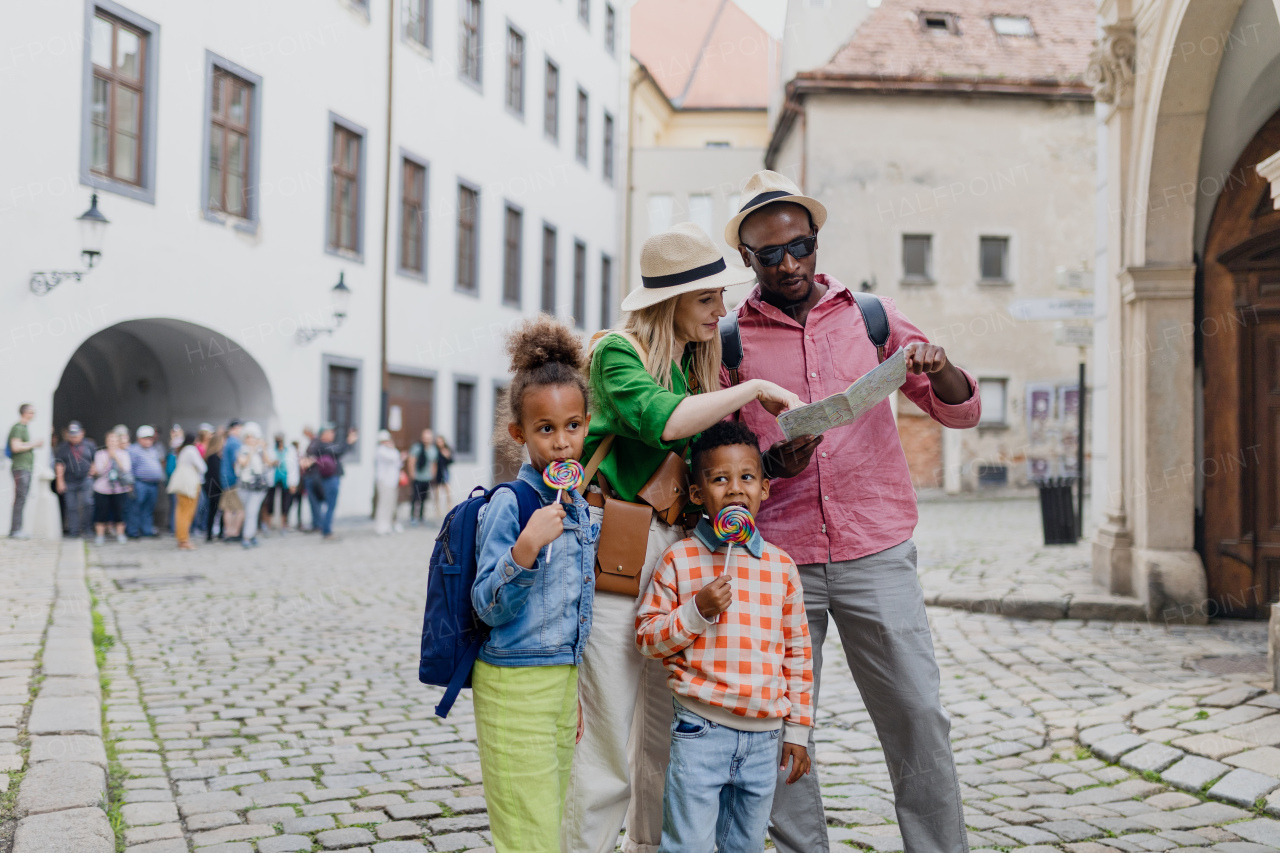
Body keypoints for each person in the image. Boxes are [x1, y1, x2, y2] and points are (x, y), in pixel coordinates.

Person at [721, 170, 982, 853]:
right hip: (777, 557)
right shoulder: (727, 344)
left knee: (918, 713)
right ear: (748, 259)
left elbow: (962, 408)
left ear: (814, 239)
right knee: (777, 725)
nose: (789, 264)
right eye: (770, 254)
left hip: (876, 547)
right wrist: (776, 462)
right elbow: (715, 462)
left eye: (799, 246)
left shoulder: (872, 317)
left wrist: (939, 363)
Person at [564, 222, 802, 853]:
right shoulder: (617, 353)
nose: (720, 311)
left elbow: (710, 459)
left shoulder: (701, 365)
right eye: (707, 299)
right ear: (669, 301)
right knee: (611, 732)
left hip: (686, 551)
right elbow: (658, 422)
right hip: (621, 546)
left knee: (666, 736)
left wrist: (784, 452)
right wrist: (748, 390)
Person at [636, 421, 813, 852]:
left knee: (745, 846)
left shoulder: (781, 567)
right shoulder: (678, 560)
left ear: (765, 489)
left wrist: (798, 731)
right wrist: (695, 612)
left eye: (747, 477)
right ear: (698, 495)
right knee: (688, 845)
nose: (735, 489)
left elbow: (798, 653)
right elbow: (647, 638)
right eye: (719, 479)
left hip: (765, 737)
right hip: (700, 730)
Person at [471, 316, 599, 853]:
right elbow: (487, 606)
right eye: (546, 430)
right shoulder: (510, 505)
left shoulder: (580, 509)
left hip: (558, 685)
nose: (563, 443)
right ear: (519, 433)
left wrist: (571, 692)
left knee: (552, 817)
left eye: (573, 426)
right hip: (512, 683)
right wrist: (525, 550)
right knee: (527, 831)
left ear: (587, 425)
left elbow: (574, 607)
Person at [307, 423, 357, 539]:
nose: (333, 434)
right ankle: (327, 530)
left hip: (328, 478)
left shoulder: (322, 445)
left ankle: (325, 528)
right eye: (331, 432)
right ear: (324, 434)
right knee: (330, 505)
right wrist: (348, 442)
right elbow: (338, 451)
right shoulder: (322, 446)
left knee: (328, 505)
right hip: (329, 479)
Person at [234, 422, 275, 548]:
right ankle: (250, 535)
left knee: (252, 511)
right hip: (245, 486)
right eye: (248, 436)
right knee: (249, 511)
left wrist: (263, 449)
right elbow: (243, 463)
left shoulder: (260, 451)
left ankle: (247, 536)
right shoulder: (242, 450)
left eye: (253, 436)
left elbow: (269, 463)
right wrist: (251, 451)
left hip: (258, 486)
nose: (251, 439)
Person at [91, 426, 133, 545]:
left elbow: (126, 469)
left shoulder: (124, 454)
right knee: (101, 513)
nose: (112, 443)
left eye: (115, 441)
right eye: (110, 440)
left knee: (120, 512)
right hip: (102, 488)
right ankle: (100, 536)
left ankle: (120, 534)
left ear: (118, 442)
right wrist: (109, 457)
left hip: (119, 489)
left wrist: (116, 457)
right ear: (106, 442)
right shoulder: (100, 454)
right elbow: (99, 471)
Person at [55, 421, 97, 538]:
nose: (74, 437)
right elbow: (59, 464)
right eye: (72, 435)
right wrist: (60, 481)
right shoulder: (63, 447)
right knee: (71, 506)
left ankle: (87, 529)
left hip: (85, 479)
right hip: (69, 480)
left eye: (76, 434)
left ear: (82, 433)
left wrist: (93, 469)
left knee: (88, 503)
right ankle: (74, 531)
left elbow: (95, 459)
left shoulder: (89, 445)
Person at [8, 403, 43, 539]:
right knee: (20, 498)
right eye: (31, 412)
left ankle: (17, 529)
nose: (33, 415)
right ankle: (15, 530)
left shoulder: (24, 428)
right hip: (20, 468)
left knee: (22, 498)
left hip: (25, 468)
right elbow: (15, 447)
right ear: (25, 413)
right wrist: (34, 444)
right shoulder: (18, 428)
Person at [126, 425, 166, 538]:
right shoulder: (133, 450)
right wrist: (130, 484)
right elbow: (130, 468)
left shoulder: (153, 449)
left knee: (149, 509)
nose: (148, 441)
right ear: (139, 439)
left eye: (150, 438)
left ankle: (146, 530)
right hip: (140, 483)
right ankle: (133, 531)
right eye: (145, 438)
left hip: (153, 484)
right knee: (135, 508)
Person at [168, 433, 206, 551]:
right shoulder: (191, 450)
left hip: (182, 483)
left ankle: (181, 538)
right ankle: (184, 540)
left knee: (180, 511)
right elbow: (203, 467)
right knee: (187, 512)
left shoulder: (183, 450)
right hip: (189, 484)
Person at [374, 430, 406, 535]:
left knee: (391, 505)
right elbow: (394, 458)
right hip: (384, 481)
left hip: (392, 482)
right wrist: (394, 450)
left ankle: (388, 525)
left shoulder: (390, 451)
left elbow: (398, 463)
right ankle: (381, 527)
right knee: (384, 504)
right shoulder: (381, 450)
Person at [266, 432, 299, 534]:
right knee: (270, 502)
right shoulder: (270, 449)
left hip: (286, 479)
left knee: (285, 503)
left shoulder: (290, 450)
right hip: (273, 478)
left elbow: (294, 466)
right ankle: (269, 525)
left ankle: (283, 524)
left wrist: (294, 482)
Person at [219, 420, 246, 541]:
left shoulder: (228, 441)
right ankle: (233, 533)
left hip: (226, 479)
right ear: (235, 428)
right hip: (233, 480)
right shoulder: (235, 442)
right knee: (238, 509)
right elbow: (238, 463)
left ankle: (229, 532)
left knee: (229, 508)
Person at [407, 428, 436, 525]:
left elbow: (433, 463)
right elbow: (411, 460)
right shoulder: (417, 448)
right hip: (418, 477)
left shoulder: (433, 450)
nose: (427, 440)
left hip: (427, 478)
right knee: (415, 498)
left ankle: (421, 516)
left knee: (424, 499)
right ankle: (412, 516)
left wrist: (433, 475)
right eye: (425, 438)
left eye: (429, 438)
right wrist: (412, 474)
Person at [203, 431, 226, 541]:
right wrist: (223, 487)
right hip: (215, 488)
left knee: (213, 511)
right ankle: (214, 534)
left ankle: (211, 534)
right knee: (216, 511)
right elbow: (216, 474)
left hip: (212, 487)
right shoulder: (213, 457)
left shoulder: (212, 456)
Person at [431, 434, 453, 517]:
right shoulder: (435, 451)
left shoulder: (446, 450)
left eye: (441, 441)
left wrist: (447, 456)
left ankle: (449, 508)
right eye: (438, 442)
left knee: (448, 492)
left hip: (445, 473)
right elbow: (434, 463)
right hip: (437, 473)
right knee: (437, 494)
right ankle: (437, 510)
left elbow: (450, 461)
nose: (439, 443)